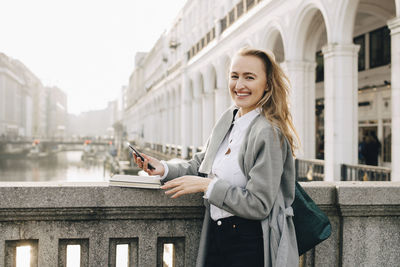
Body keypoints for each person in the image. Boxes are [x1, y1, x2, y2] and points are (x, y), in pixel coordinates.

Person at [133, 47, 300, 267]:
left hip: (250, 242)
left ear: (267, 84)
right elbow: (200, 164)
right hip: (216, 234)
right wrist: (162, 168)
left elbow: (259, 204)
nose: (239, 85)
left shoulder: (267, 132)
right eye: (234, 76)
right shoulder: (228, 119)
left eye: (249, 77)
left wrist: (207, 186)